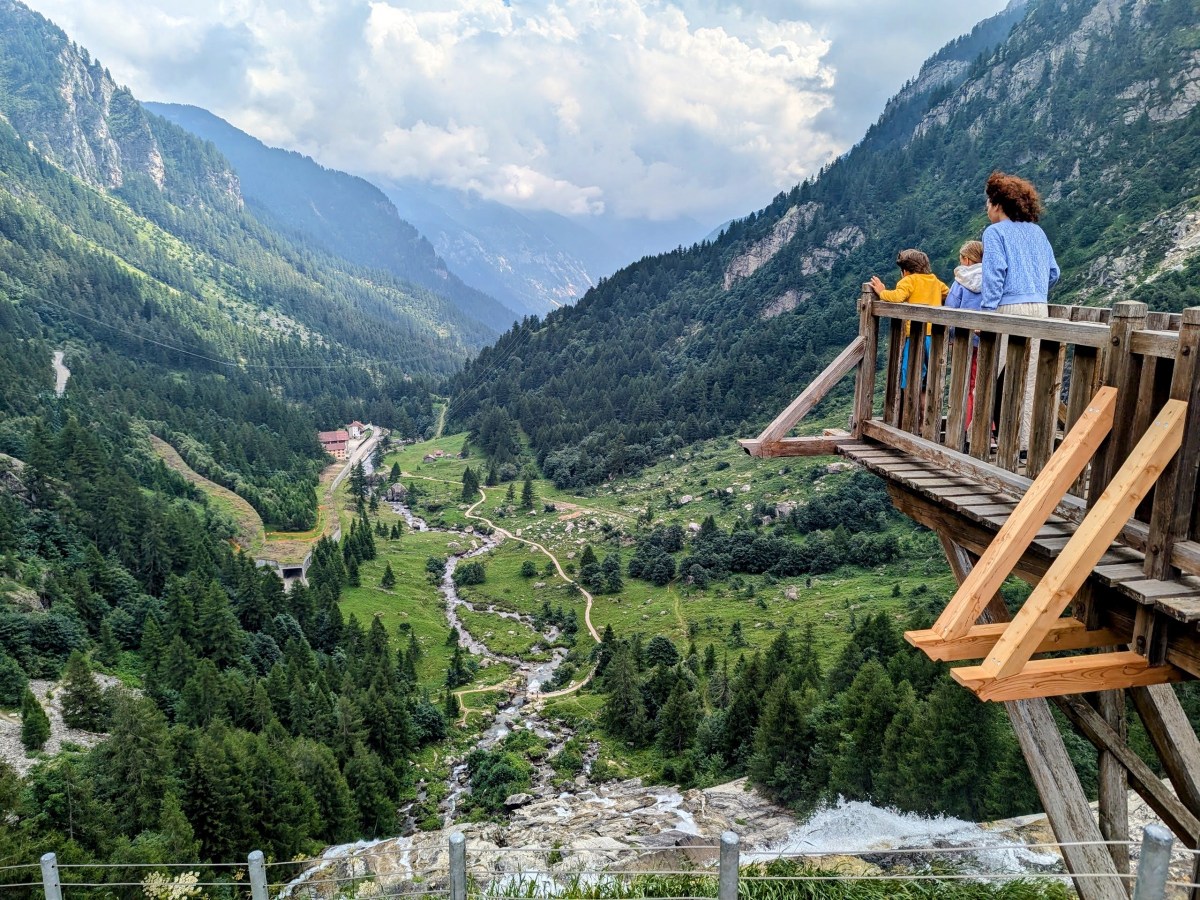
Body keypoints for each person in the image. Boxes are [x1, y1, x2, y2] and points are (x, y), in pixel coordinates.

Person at [981, 172, 1060, 453]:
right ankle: (1025, 442)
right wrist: (1035, 289)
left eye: (988, 203)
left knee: (997, 373)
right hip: (1040, 308)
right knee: (1028, 376)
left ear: (998, 204)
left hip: (1008, 308)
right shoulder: (1037, 232)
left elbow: (994, 275)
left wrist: (987, 313)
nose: (987, 209)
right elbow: (1054, 272)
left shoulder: (994, 233)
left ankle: (993, 437)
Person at [869, 249, 949, 390]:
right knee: (930, 374)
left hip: (915, 334)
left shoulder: (909, 281)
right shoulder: (934, 280)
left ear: (905, 270)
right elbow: (948, 294)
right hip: (934, 335)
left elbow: (898, 297)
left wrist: (882, 292)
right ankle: (924, 404)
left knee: (910, 370)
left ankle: (908, 396)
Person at [946, 240, 983, 428]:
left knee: (966, 384)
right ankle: (986, 430)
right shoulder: (993, 279)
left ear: (967, 260)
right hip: (988, 339)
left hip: (964, 341)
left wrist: (950, 338)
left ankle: (968, 428)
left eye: (961, 259)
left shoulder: (961, 281)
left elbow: (951, 308)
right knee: (983, 382)